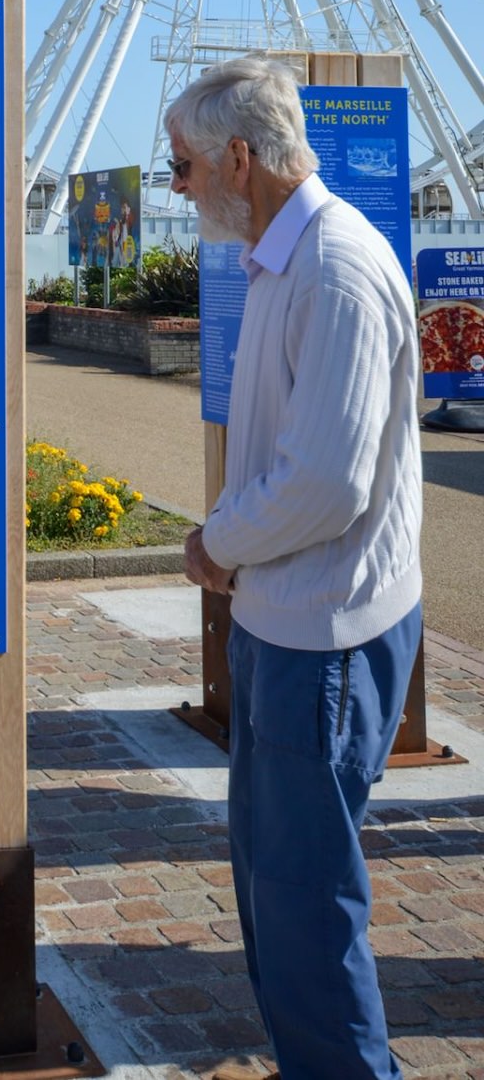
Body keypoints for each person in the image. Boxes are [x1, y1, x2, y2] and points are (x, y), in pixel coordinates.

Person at [165, 55, 421, 1080]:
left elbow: (323, 483)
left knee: (308, 903)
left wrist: (215, 545)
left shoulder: (334, 268)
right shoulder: (282, 258)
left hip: (328, 632)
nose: (176, 186)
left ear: (240, 156)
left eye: (182, 164)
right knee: (274, 885)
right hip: (286, 619)